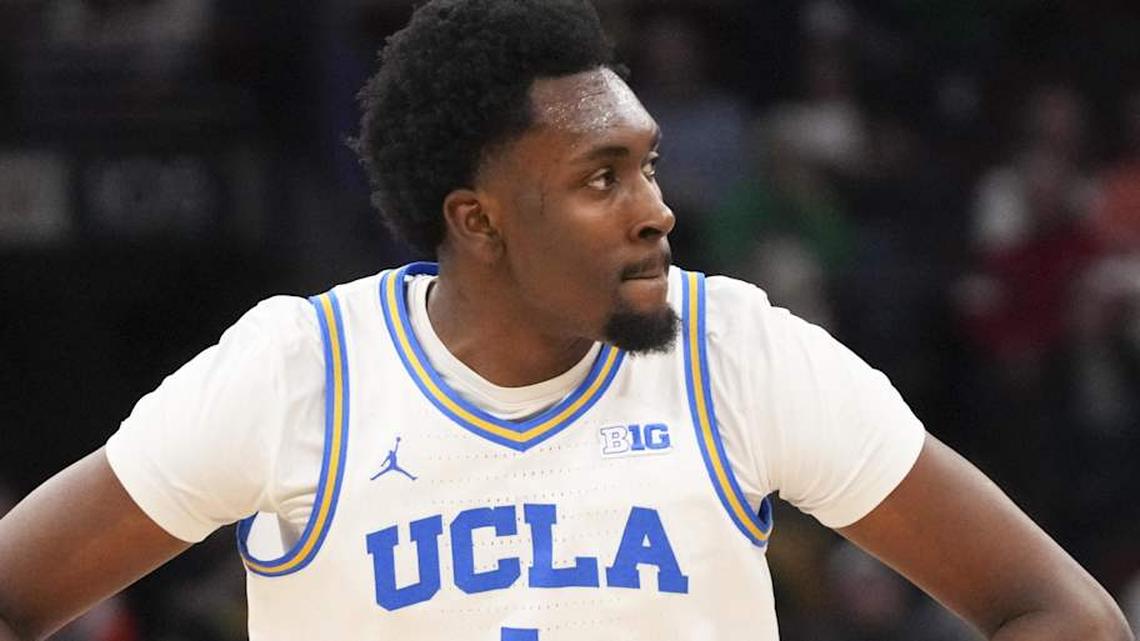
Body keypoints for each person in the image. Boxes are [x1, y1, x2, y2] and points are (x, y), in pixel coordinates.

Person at [0, 1, 1133, 640]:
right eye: (603, 179)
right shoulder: (300, 372)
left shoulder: (735, 351)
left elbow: (1058, 612)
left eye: (646, 164)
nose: (659, 209)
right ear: (480, 220)